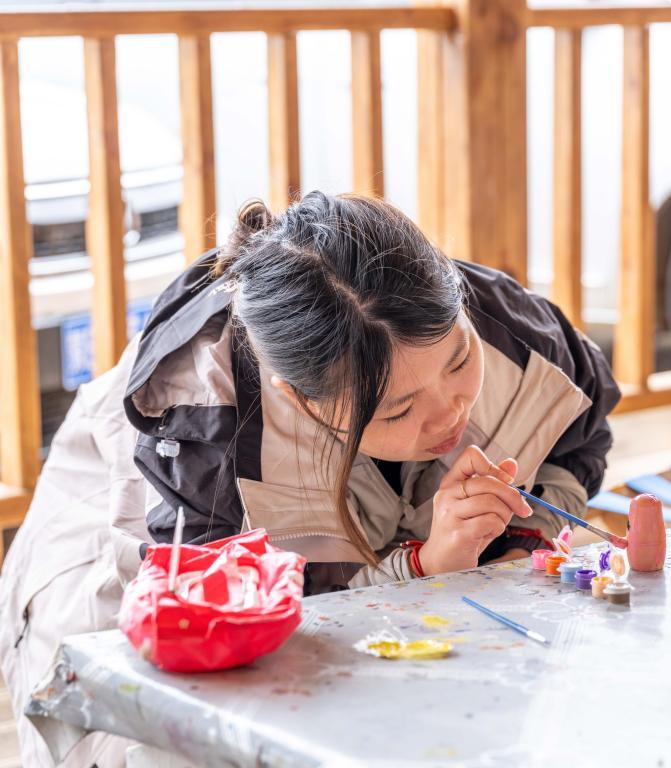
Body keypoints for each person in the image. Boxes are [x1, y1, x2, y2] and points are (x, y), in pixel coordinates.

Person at [0, 191, 620, 766]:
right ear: (299, 401)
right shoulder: (201, 437)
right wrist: (426, 566)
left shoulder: (497, 321)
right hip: (131, 560)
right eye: (398, 409)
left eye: (459, 360)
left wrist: (515, 536)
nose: (449, 415)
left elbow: (580, 434)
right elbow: (259, 635)